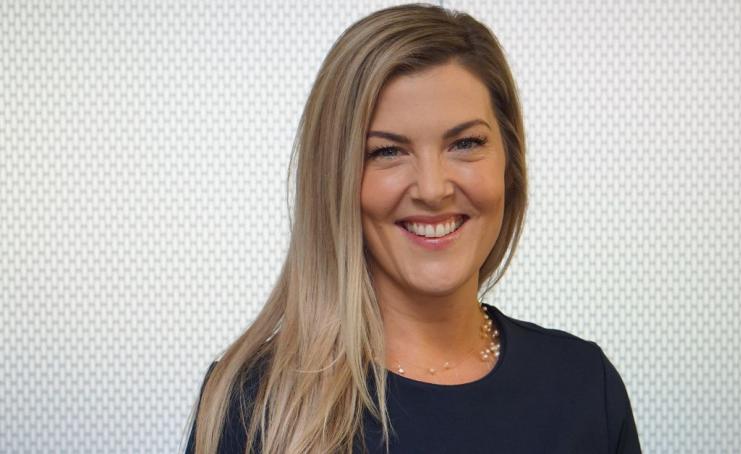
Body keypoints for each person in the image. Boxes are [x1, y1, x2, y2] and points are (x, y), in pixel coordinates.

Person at [183, 3, 641, 453]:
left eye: (465, 143)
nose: (433, 188)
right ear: (335, 181)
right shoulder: (252, 404)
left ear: (510, 163)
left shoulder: (584, 386)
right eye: (387, 152)